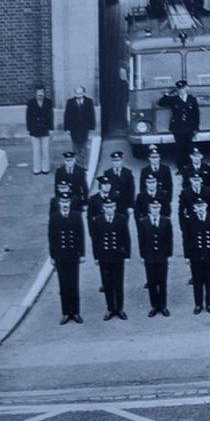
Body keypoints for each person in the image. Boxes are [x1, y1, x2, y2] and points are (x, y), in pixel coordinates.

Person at [49, 193, 85, 324]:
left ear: (69, 203)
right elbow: (51, 238)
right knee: (63, 285)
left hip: (73, 255)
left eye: (67, 202)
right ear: (59, 204)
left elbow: (80, 235)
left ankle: (75, 312)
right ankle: (65, 313)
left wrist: (82, 254)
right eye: (62, 202)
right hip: (60, 256)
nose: (65, 204)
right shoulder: (54, 218)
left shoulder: (76, 216)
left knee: (74, 284)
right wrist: (52, 256)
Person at [91, 198, 130, 320]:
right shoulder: (98, 220)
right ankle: (110, 309)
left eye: (111, 207)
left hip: (118, 256)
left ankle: (119, 308)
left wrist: (127, 255)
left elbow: (126, 238)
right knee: (107, 284)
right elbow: (95, 240)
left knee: (118, 283)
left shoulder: (121, 219)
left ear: (115, 207)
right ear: (104, 208)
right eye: (107, 207)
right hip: (104, 257)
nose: (109, 210)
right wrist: (96, 257)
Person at [184, 197, 210, 314]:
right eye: (197, 206)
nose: (200, 209)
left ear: (206, 206)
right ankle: (198, 305)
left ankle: (209, 304)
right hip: (196, 256)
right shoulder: (189, 220)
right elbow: (186, 239)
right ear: (194, 208)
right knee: (197, 282)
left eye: (202, 206)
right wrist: (187, 256)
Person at [137, 199, 173, 317]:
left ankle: (163, 306)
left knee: (162, 281)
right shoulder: (143, 222)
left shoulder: (166, 221)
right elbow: (141, 241)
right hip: (149, 256)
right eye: (153, 208)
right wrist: (142, 256)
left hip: (162, 256)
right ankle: (154, 306)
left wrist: (169, 255)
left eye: (157, 208)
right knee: (152, 282)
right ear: (149, 209)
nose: (155, 210)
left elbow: (169, 240)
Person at [158, 80, 199, 164]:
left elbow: (196, 114)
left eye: (183, 88)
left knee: (189, 147)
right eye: (179, 89)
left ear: (187, 88)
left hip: (189, 128)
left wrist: (195, 128)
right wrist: (167, 94)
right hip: (177, 128)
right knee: (179, 149)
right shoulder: (174, 99)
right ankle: (180, 168)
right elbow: (161, 103)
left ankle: (189, 167)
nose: (181, 91)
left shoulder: (192, 99)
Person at [26, 85, 54, 175]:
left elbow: (51, 116)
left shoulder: (48, 102)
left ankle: (46, 168)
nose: (40, 94)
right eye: (38, 92)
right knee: (36, 150)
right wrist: (29, 129)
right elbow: (28, 117)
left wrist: (51, 128)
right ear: (35, 93)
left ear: (44, 92)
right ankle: (37, 168)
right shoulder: (31, 102)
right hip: (34, 129)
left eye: (42, 92)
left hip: (45, 128)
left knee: (45, 149)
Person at [63, 86, 95, 162]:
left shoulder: (89, 101)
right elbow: (67, 115)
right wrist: (67, 128)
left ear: (83, 93)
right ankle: (76, 163)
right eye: (77, 93)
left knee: (84, 145)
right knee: (75, 146)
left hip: (84, 127)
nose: (79, 95)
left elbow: (92, 114)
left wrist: (91, 127)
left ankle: (84, 162)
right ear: (75, 93)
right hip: (74, 128)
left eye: (80, 93)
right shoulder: (70, 102)